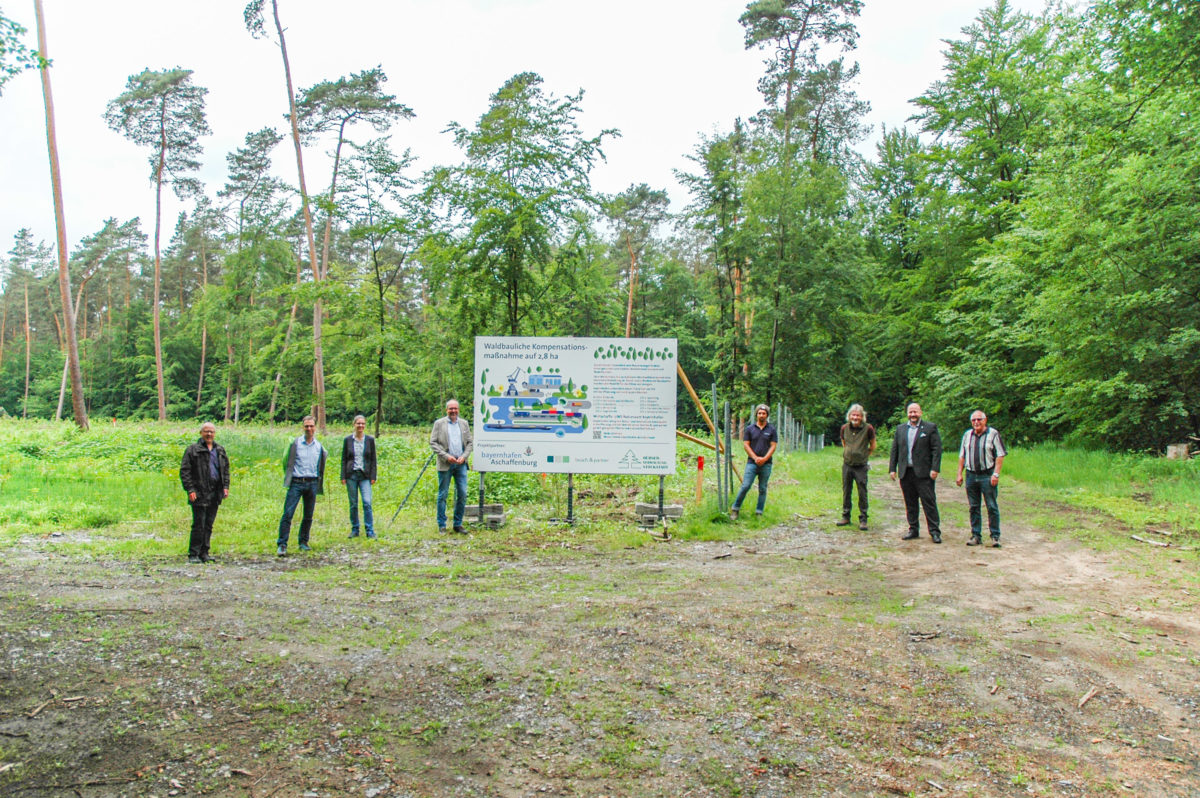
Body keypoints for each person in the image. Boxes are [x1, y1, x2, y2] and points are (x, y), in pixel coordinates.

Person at [888, 402, 943, 543]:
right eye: (910, 412)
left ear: (921, 413)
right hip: (906, 472)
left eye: (915, 412)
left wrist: (935, 468)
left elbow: (937, 449)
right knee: (910, 503)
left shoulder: (930, 428)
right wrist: (892, 468)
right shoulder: (900, 429)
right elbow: (895, 450)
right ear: (907, 413)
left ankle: (934, 531)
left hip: (924, 473)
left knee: (929, 502)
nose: (913, 415)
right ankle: (913, 529)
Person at [955, 410, 1007, 548]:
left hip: (987, 475)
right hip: (971, 475)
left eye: (979, 419)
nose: (976, 422)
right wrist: (959, 474)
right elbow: (962, 456)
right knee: (973, 507)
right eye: (973, 420)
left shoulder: (993, 434)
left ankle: (995, 536)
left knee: (991, 506)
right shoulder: (967, 435)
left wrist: (996, 474)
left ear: (985, 420)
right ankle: (976, 535)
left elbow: (1000, 455)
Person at [179, 422, 230, 564]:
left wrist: (225, 486)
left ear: (215, 434)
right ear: (201, 433)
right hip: (199, 492)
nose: (209, 434)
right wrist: (190, 489)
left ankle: (204, 552)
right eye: (206, 431)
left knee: (209, 524)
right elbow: (185, 471)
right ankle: (193, 554)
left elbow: (225, 470)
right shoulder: (192, 450)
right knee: (199, 524)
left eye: (212, 432)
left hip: (215, 492)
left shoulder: (220, 450)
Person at [277, 415, 326, 556]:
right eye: (306, 426)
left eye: (311, 426)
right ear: (303, 427)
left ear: (315, 427)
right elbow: (286, 462)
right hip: (297, 482)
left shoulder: (319, 447)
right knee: (288, 514)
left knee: (308, 515)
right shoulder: (295, 444)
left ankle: (303, 542)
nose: (309, 429)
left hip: (312, 483)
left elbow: (321, 465)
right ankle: (282, 544)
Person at [430, 399, 472, 534]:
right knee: (443, 495)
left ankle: (457, 524)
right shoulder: (439, 424)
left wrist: (464, 456)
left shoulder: (464, 424)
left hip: (460, 464)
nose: (453, 411)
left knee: (463, 493)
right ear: (446, 410)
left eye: (455, 408)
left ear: (458, 410)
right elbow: (433, 443)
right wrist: (446, 456)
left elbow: (470, 443)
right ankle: (442, 524)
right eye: (450, 409)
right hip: (445, 464)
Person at [730, 404, 777, 521]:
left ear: (767, 415)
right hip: (752, 463)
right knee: (745, 486)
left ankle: (759, 512)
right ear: (756, 414)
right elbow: (746, 445)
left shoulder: (771, 430)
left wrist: (765, 458)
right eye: (759, 413)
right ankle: (735, 509)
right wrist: (755, 458)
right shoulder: (750, 429)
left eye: (764, 413)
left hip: (766, 464)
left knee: (762, 488)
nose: (761, 415)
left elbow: (773, 446)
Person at [837, 404, 876, 530]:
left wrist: (864, 455)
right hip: (847, 464)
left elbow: (872, 445)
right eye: (853, 415)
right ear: (849, 416)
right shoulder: (844, 428)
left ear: (862, 417)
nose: (855, 417)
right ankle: (845, 516)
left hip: (861, 466)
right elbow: (844, 442)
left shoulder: (868, 428)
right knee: (846, 490)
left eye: (858, 415)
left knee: (862, 492)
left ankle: (863, 519)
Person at [341, 415, 378, 539]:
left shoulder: (370, 440)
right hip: (351, 475)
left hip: (365, 476)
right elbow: (344, 459)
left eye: (363, 424)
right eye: (358, 423)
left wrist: (373, 476)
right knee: (353, 503)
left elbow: (373, 459)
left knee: (367, 502)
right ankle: (355, 529)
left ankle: (370, 530)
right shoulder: (347, 440)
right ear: (354, 424)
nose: (360, 426)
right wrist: (343, 476)